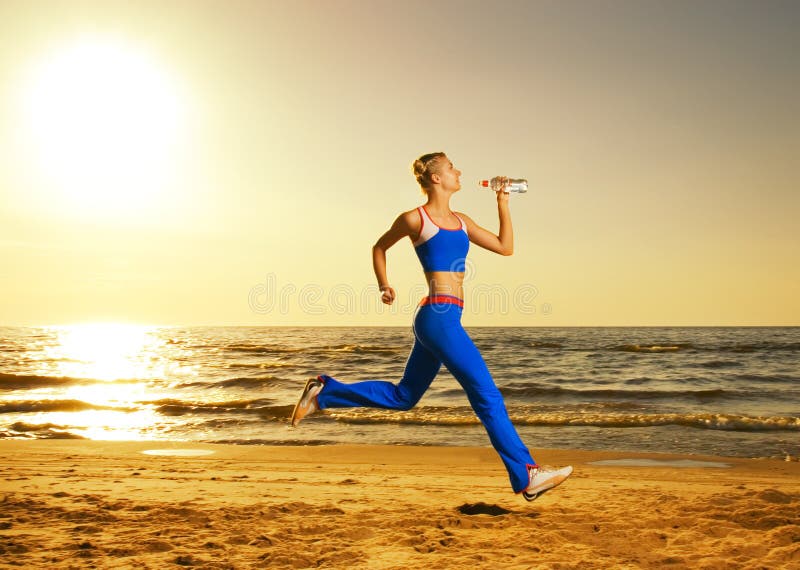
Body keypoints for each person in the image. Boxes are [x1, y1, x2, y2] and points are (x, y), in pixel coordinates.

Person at [291, 152, 572, 501]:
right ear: (436, 178)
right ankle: (527, 474)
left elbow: (506, 247)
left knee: (404, 397)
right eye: (452, 167)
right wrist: (384, 284)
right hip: (437, 316)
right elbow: (379, 247)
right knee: (486, 396)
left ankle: (325, 392)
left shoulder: (462, 220)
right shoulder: (415, 219)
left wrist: (503, 202)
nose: (459, 171)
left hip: (443, 318)